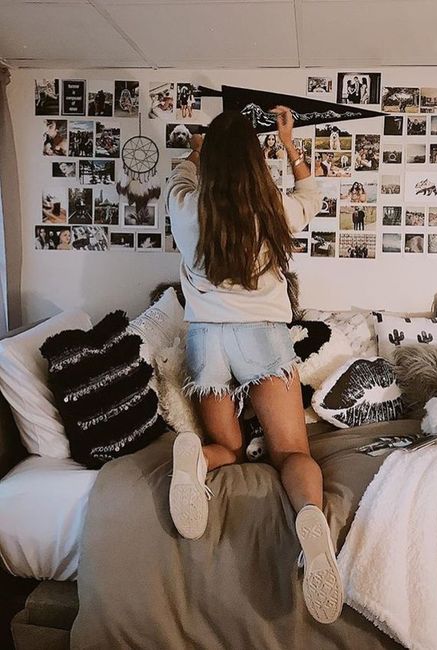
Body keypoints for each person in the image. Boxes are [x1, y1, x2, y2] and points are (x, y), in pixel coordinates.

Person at [165, 107, 343, 625]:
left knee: (230, 448)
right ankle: (310, 518)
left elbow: (180, 179)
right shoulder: (272, 210)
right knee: (292, 453)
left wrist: (195, 152)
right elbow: (311, 195)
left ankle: (197, 461)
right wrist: (289, 144)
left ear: (212, 162)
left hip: (206, 341)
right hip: (262, 337)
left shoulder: (187, 207)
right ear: (253, 159)